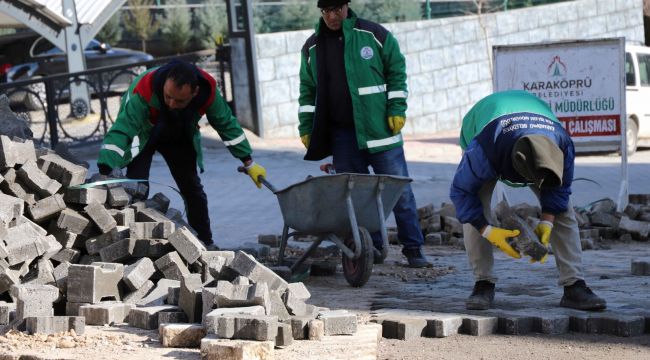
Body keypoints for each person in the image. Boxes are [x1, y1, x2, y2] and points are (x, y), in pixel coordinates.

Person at [297, 0, 429, 268]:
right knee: (356, 199)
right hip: (344, 137)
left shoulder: (375, 35)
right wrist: (305, 125)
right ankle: (373, 249)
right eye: (326, 12)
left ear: (347, 7)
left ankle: (414, 250)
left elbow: (396, 72)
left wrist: (396, 108)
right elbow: (307, 90)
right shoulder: (312, 47)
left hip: (382, 133)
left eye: (336, 10)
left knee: (399, 193)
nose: (332, 16)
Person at [449, 90, 606, 311]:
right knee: (476, 204)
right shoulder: (484, 150)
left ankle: (574, 285)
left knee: (563, 211)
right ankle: (483, 283)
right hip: (484, 125)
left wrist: (547, 222)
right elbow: (461, 192)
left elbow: (559, 191)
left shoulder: (563, 144)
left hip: (535, 123)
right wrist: (488, 231)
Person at [97, 59, 266, 248]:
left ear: (194, 93)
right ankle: (136, 248)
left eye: (179, 100)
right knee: (136, 188)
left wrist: (248, 162)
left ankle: (204, 244)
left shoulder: (207, 91)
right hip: (144, 132)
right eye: (168, 96)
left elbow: (226, 124)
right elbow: (123, 129)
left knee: (193, 190)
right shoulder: (144, 89)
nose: (171, 103)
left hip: (179, 134)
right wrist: (106, 166)